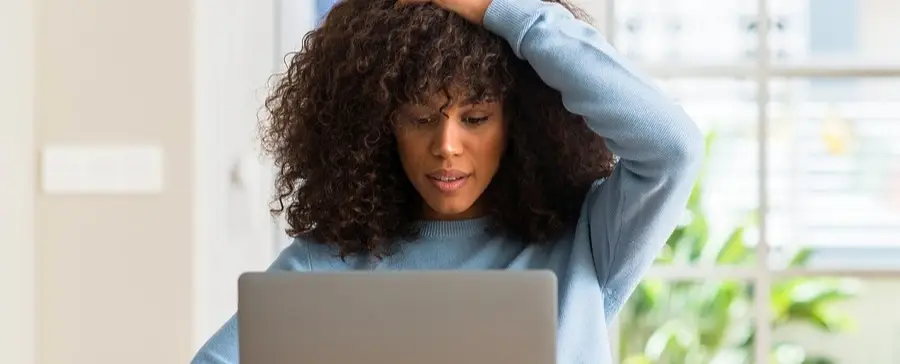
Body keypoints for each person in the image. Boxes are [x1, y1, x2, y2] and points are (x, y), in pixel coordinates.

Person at [191, 0, 703, 362]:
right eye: (419, 118)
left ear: (516, 124)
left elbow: (673, 147)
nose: (447, 145)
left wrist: (505, 12)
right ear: (380, 126)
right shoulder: (325, 264)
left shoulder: (588, 243)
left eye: (475, 118)